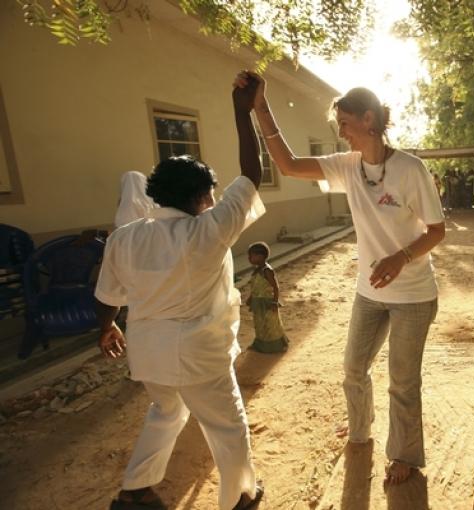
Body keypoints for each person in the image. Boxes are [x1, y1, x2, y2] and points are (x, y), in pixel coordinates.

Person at [237, 71, 445, 485]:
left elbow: (436, 230)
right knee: (353, 368)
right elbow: (289, 164)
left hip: (413, 295)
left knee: (402, 381)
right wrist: (261, 107)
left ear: (369, 120)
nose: (342, 133)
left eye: (346, 124)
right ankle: (361, 430)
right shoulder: (348, 167)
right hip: (369, 292)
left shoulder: (409, 169)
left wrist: (400, 257)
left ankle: (404, 456)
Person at [95, 75, 266, 510]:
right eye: (210, 192)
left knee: (167, 412)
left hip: (149, 353)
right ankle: (242, 496)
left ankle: (135, 490)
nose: (213, 198)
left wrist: (108, 326)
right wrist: (241, 111)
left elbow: (108, 293)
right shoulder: (208, 230)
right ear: (202, 196)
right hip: (198, 354)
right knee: (228, 426)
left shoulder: (126, 237)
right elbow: (251, 174)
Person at [246, 241, 289, 353]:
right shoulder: (257, 270)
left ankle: (275, 347)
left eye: (251, 255)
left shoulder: (267, 270)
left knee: (271, 325)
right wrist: (251, 297)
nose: (249, 258)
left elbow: (276, 287)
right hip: (258, 303)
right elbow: (255, 285)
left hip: (267, 303)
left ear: (260, 256)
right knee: (260, 324)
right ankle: (260, 345)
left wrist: (275, 302)